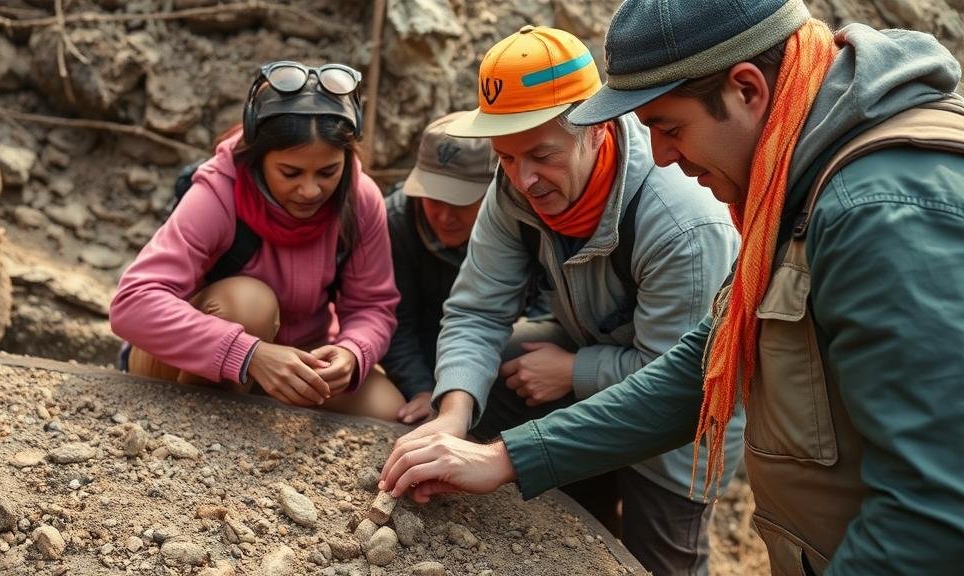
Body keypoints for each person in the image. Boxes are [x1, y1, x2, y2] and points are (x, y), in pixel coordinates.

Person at [380, 1, 964, 574]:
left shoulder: (878, 211)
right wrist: (505, 457)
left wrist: (543, 411)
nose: (660, 154)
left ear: (746, 90)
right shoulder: (792, 187)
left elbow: (931, 507)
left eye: (670, 126)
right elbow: (700, 366)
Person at [383, 26, 742, 575]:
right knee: (507, 379)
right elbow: (477, 310)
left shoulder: (682, 224)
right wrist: (451, 415)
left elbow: (677, 386)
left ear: (596, 129)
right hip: (594, 363)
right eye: (505, 157)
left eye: (542, 155)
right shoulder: (515, 190)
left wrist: (575, 370)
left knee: (659, 560)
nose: (524, 179)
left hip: (679, 430)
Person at [110, 60, 405, 421]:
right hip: (188, 359)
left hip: (296, 360)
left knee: (390, 411)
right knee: (249, 303)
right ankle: (208, 431)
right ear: (258, 158)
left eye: (328, 171)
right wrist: (249, 354)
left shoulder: (358, 199)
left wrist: (352, 353)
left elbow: (373, 305)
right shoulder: (218, 193)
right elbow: (132, 303)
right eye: (290, 172)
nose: (311, 190)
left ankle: (259, 408)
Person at [382, 111, 502, 424]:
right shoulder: (395, 223)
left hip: (494, 364)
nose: (446, 216)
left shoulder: (517, 225)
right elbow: (395, 321)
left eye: (461, 202)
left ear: (491, 192)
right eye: (434, 199)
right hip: (416, 362)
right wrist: (420, 389)